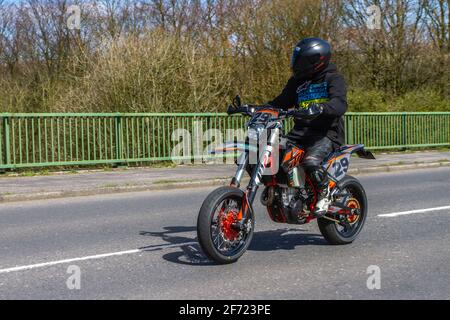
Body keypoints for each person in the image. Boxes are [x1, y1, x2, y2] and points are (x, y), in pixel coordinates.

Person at [268, 37, 348, 217]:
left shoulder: (333, 78)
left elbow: (340, 104)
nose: (297, 64)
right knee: (276, 158)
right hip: (300, 134)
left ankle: (324, 192)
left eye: (301, 61)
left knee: (310, 161)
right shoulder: (296, 83)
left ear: (317, 60)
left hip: (326, 134)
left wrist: (321, 107)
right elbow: (280, 103)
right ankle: (292, 195)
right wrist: (255, 108)